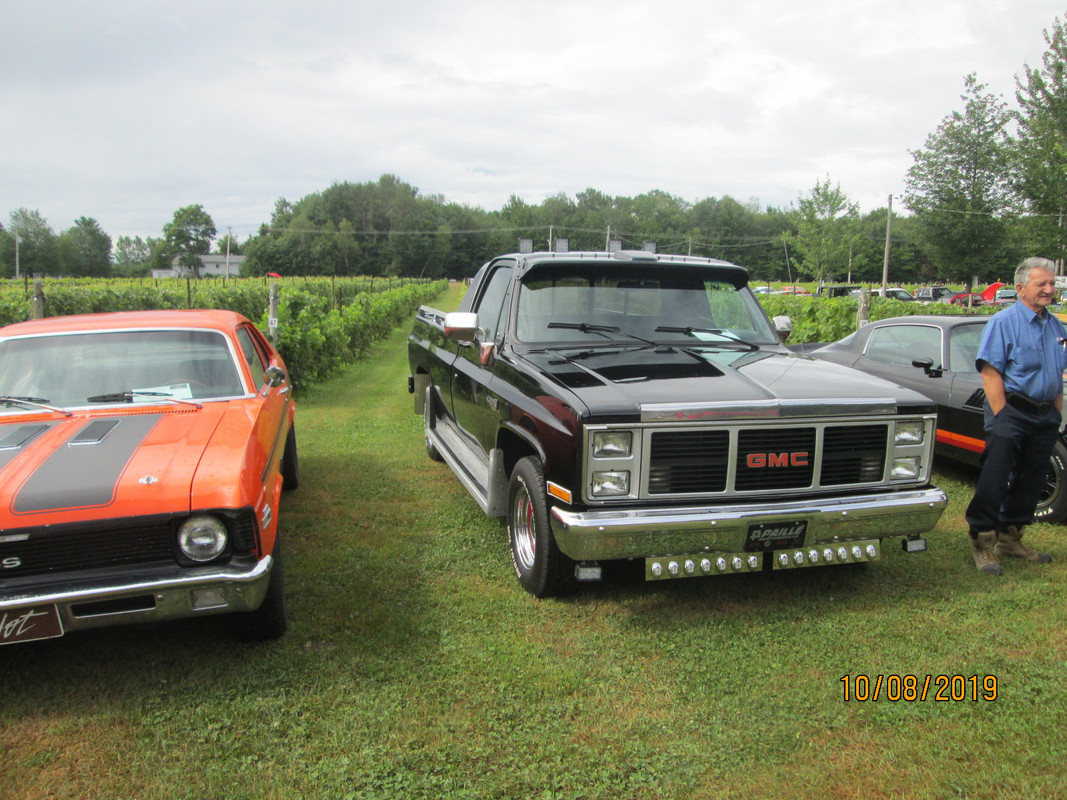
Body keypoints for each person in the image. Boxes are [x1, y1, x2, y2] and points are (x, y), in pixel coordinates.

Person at [965, 257, 1067, 574]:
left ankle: (1011, 538)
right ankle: (983, 542)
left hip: (1044, 415)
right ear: (1021, 288)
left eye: (1052, 283)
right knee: (996, 478)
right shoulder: (1004, 322)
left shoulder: (1056, 326)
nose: (1050, 289)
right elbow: (991, 373)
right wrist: (1003, 417)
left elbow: (1057, 372)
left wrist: (1056, 412)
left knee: (1032, 479)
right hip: (1011, 412)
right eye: (1042, 284)